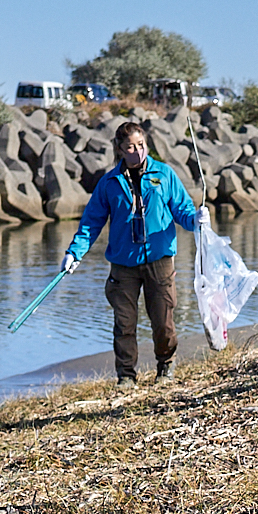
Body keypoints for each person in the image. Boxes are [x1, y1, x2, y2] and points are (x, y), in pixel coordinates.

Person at [61, 119, 206, 385]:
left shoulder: (164, 175)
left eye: (141, 145)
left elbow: (182, 210)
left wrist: (195, 219)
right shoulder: (108, 183)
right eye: (130, 147)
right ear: (119, 149)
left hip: (160, 260)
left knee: (163, 321)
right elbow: (91, 222)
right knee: (124, 324)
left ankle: (166, 367)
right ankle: (126, 377)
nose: (137, 152)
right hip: (123, 264)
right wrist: (75, 253)